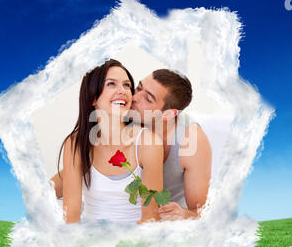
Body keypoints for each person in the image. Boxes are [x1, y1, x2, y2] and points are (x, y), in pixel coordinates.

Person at [53, 67, 212, 221]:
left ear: (167, 114)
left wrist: (186, 216)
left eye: (148, 98)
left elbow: (201, 212)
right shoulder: (125, 116)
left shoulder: (191, 141)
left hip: (164, 221)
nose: (134, 97)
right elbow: (78, 169)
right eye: (138, 88)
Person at [58, 59, 163, 224]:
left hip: (135, 240)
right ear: (92, 97)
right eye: (111, 84)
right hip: (91, 239)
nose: (122, 90)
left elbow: (151, 217)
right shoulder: (75, 143)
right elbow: (71, 215)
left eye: (127, 85)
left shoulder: (148, 142)